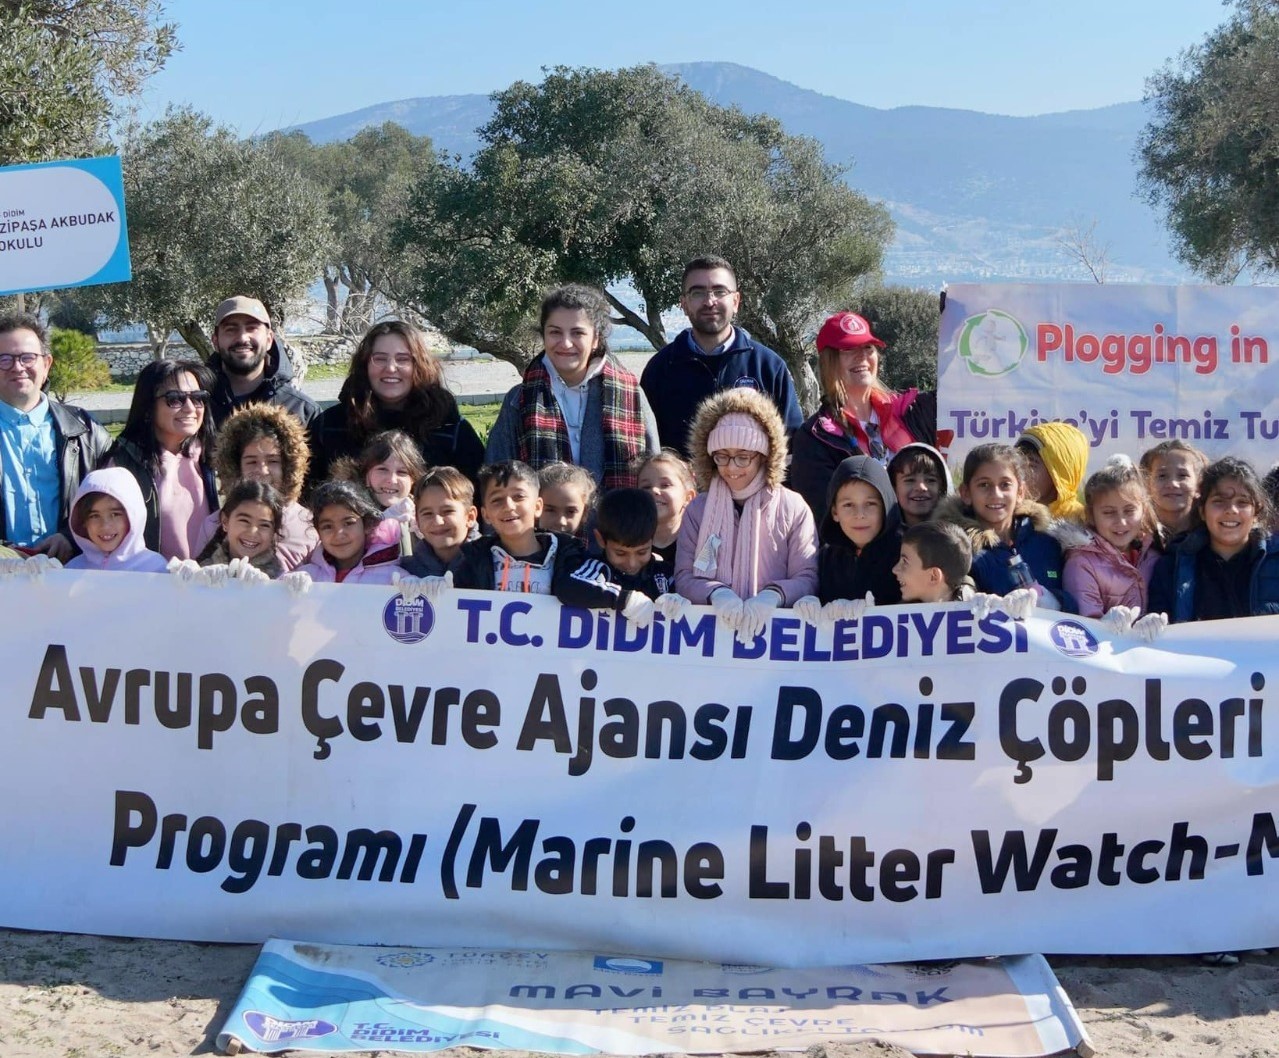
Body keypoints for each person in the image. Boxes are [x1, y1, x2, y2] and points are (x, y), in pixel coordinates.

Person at [674, 388, 817, 640]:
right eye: (722, 456)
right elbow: (684, 577)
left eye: (743, 457)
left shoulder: (793, 507)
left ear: (763, 456)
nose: (731, 467)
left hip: (773, 638)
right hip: (711, 638)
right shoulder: (698, 510)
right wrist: (716, 593)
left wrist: (774, 595)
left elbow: (806, 577)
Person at [486, 285, 659, 488]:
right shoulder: (519, 400)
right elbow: (497, 479)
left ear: (596, 339)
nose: (566, 343)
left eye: (577, 333)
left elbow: (653, 474)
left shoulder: (631, 395)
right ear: (544, 336)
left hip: (620, 509)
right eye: (555, 332)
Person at [640, 256, 803, 455]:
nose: (710, 302)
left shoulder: (768, 366)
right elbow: (647, 448)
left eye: (719, 291)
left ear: (736, 301)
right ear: (684, 304)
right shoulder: (660, 369)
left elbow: (792, 446)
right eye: (698, 293)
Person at [448, 460, 652, 618]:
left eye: (518, 497)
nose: (509, 506)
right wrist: (436, 590)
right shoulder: (473, 559)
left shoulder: (570, 555)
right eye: (497, 500)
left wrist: (625, 599)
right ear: (485, 514)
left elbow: (571, 588)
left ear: (538, 506)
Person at [790, 311, 938, 520]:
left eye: (868, 347)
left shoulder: (911, 410)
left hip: (928, 537)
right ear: (829, 361)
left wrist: (952, 319)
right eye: (848, 349)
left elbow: (962, 390)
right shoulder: (814, 439)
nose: (861, 356)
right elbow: (825, 517)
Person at [308, 320, 484, 486]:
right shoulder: (329, 426)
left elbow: (476, 494)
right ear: (365, 365)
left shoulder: (450, 427)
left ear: (419, 365)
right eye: (380, 358)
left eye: (403, 359)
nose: (391, 368)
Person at [0, 311, 110, 560]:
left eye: (27, 357)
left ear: (46, 364)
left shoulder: (87, 431)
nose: (17, 367)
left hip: (73, 571)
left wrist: (72, 536)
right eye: (4, 359)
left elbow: (116, 502)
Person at [937, 442, 1076, 611]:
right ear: (966, 493)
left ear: (1020, 492)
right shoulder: (957, 551)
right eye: (984, 485)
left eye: (1005, 484)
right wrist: (968, 599)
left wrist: (1055, 600)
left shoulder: (1049, 545)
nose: (996, 494)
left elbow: (1078, 606)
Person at [106, 359, 218, 561]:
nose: (190, 408)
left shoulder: (218, 459)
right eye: (175, 399)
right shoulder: (123, 466)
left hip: (213, 578)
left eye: (198, 398)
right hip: (151, 578)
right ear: (148, 407)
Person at [1149, 456, 1279, 623]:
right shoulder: (1172, 566)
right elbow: (1156, 627)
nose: (1231, 510)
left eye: (1242, 502)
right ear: (1202, 511)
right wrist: (1149, 622)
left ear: (1256, 513)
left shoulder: (1275, 560)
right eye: (1219, 501)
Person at [211, 403, 316, 571]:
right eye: (252, 462)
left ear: (288, 465)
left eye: (272, 461)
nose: (262, 471)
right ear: (235, 466)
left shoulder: (310, 525)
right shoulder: (212, 524)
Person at [1063, 455, 1161, 619]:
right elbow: (1085, 623)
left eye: (1129, 511)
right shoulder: (1081, 563)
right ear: (1091, 515)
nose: (1121, 521)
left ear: (1143, 511)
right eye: (1109, 512)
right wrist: (1107, 622)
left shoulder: (1153, 555)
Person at [206, 296, 319, 428]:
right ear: (215, 342)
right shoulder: (195, 408)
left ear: (269, 339)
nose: (242, 338)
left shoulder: (303, 411)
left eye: (252, 328)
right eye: (231, 329)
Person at [812, 455, 903, 607]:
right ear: (835, 512)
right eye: (848, 505)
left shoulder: (907, 554)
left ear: (885, 507)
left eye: (870, 504)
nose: (859, 515)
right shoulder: (825, 561)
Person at [330, 430, 426, 557]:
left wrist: (428, 534)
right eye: (382, 469)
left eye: (402, 472)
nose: (392, 480)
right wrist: (380, 522)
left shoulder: (422, 513)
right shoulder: (345, 509)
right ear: (366, 475)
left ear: (413, 480)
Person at [296, 479, 402, 585]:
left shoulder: (393, 578)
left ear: (367, 524)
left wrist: (408, 587)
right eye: (327, 526)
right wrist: (289, 585)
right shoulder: (307, 578)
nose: (339, 534)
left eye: (348, 523)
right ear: (318, 531)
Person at [65, 468, 168, 573]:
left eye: (115, 514)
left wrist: (177, 581)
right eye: (95, 516)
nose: (105, 526)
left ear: (133, 516)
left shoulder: (155, 567)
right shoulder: (73, 569)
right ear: (83, 522)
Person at [591, 487, 672, 600]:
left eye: (642, 552)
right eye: (620, 553)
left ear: (653, 536)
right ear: (600, 539)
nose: (632, 564)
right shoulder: (591, 573)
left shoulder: (667, 576)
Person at [195, 479, 285, 579]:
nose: (252, 532)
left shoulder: (280, 582)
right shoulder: (202, 575)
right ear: (225, 521)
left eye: (264, 525)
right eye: (244, 521)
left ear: (273, 532)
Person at [401, 466, 477, 577]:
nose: (437, 521)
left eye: (447, 511)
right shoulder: (405, 572)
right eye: (427, 513)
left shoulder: (493, 564)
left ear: (470, 517)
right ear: (417, 520)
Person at [1016, 421, 1089, 524]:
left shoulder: (1084, 523)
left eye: (1031, 465)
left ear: (1060, 473)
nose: (1021, 474)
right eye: (1019, 464)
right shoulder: (1010, 518)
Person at [636, 449, 697, 567]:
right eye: (646, 487)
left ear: (688, 497)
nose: (654, 490)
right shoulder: (631, 542)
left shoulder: (698, 542)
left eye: (665, 485)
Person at [1140, 439, 1208, 539]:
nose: (1172, 484)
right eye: (1162, 476)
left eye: (1182, 475)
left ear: (1198, 485)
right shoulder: (1135, 538)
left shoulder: (1213, 537)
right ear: (1147, 484)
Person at [893, 521, 973, 604]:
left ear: (933, 576)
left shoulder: (976, 609)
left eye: (905, 562)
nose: (894, 570)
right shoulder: (898, 611)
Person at [887, 442, 951, 526]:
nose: (921, 487)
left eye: (930, 480)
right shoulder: (878, 532)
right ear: (894, 488)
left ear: (942, 487)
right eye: (910, 480)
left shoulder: (958, 533)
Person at [538, 462, 596, 540]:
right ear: (537, 507)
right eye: (550, 510)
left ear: (584, 513)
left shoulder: (590, 547)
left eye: (570, 511)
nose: (561, 522)